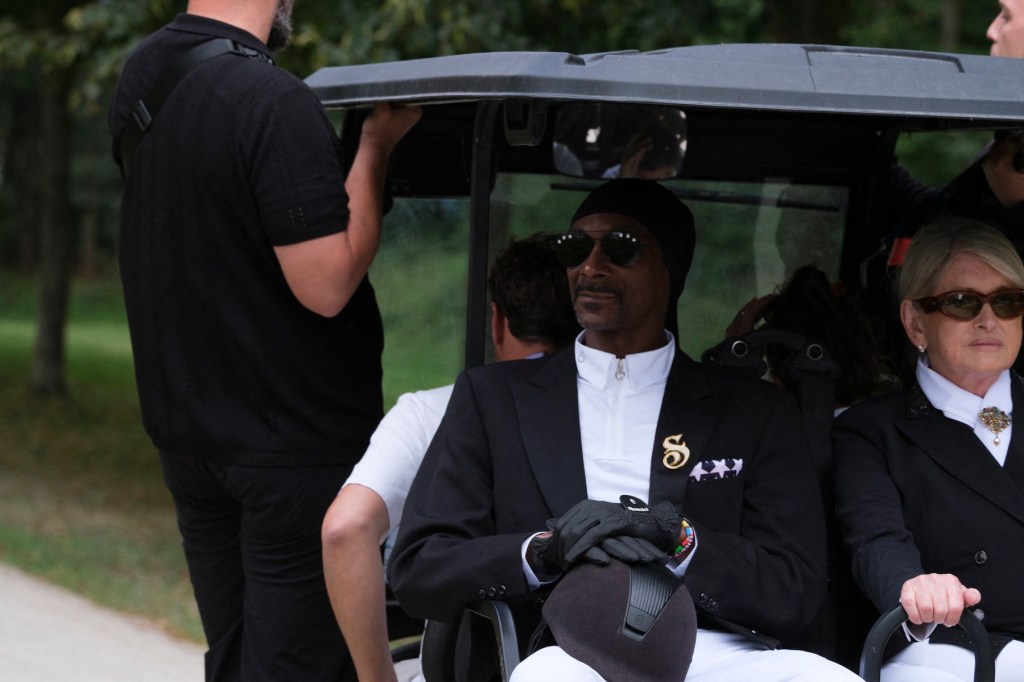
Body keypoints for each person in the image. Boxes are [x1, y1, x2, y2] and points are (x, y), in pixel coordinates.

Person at [388, 179, 860, 681]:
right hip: (561, 647)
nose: (591, 267)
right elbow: (421, 567)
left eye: (621, 247)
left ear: (671, 268)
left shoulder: (753, 410)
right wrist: (542, 551)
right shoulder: (493, 398)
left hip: (715, 648)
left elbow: (795, 584)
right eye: (575, 249)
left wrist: (680, 541)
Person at [107, 2, 420, 680]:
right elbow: (327, 283)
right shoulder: (273, 101)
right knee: (294, 666)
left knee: (235, 655)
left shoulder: (143, 77)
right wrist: (373, 152)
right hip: (291, 444)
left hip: (192, 438)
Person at [321, 234, 579, 682]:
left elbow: (346, 528)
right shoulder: (625, 415)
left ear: (497, 321)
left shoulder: (430, 411)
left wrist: (375, 678)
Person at [833, 218, 1024, 681]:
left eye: (1007, 301)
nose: (987, 319)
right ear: (915, 321)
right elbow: (876, 540)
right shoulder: (867, 430)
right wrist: (914, 587)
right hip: (951, 649)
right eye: (961, 303)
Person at [724, 265, 894, 410]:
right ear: (870, 359)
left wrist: (732, 370)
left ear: (777, 382)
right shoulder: (896, 422)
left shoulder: (759, 438)